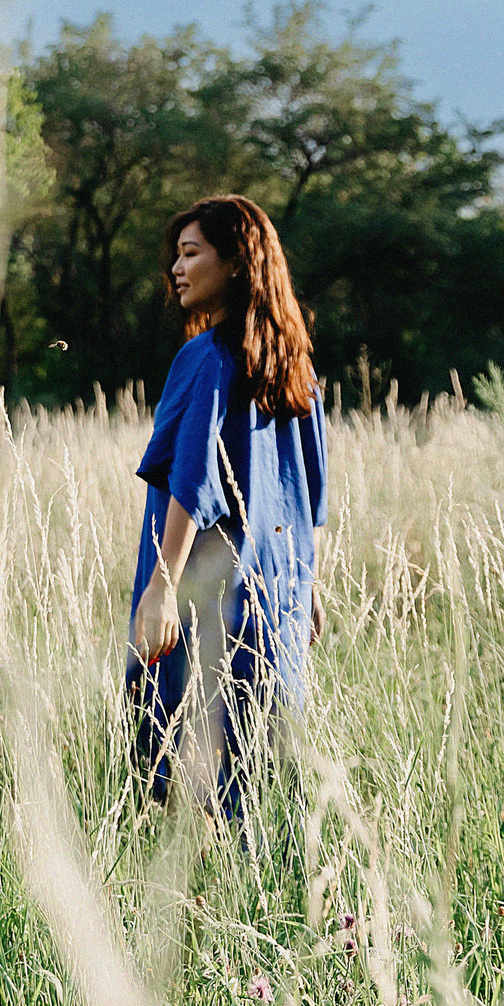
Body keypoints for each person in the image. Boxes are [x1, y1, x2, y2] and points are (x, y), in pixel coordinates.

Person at [126, 193, 327, 816]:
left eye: (191, 254)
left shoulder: (205, 356)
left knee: (179, 779)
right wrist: (311, 589)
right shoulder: (294, 368)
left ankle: (188, 911)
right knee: (259, 783)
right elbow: (309, 498)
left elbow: (190, 482)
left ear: (236, 263)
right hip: (277, 602)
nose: (176, 271)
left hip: (207, 597)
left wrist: (160, 591)